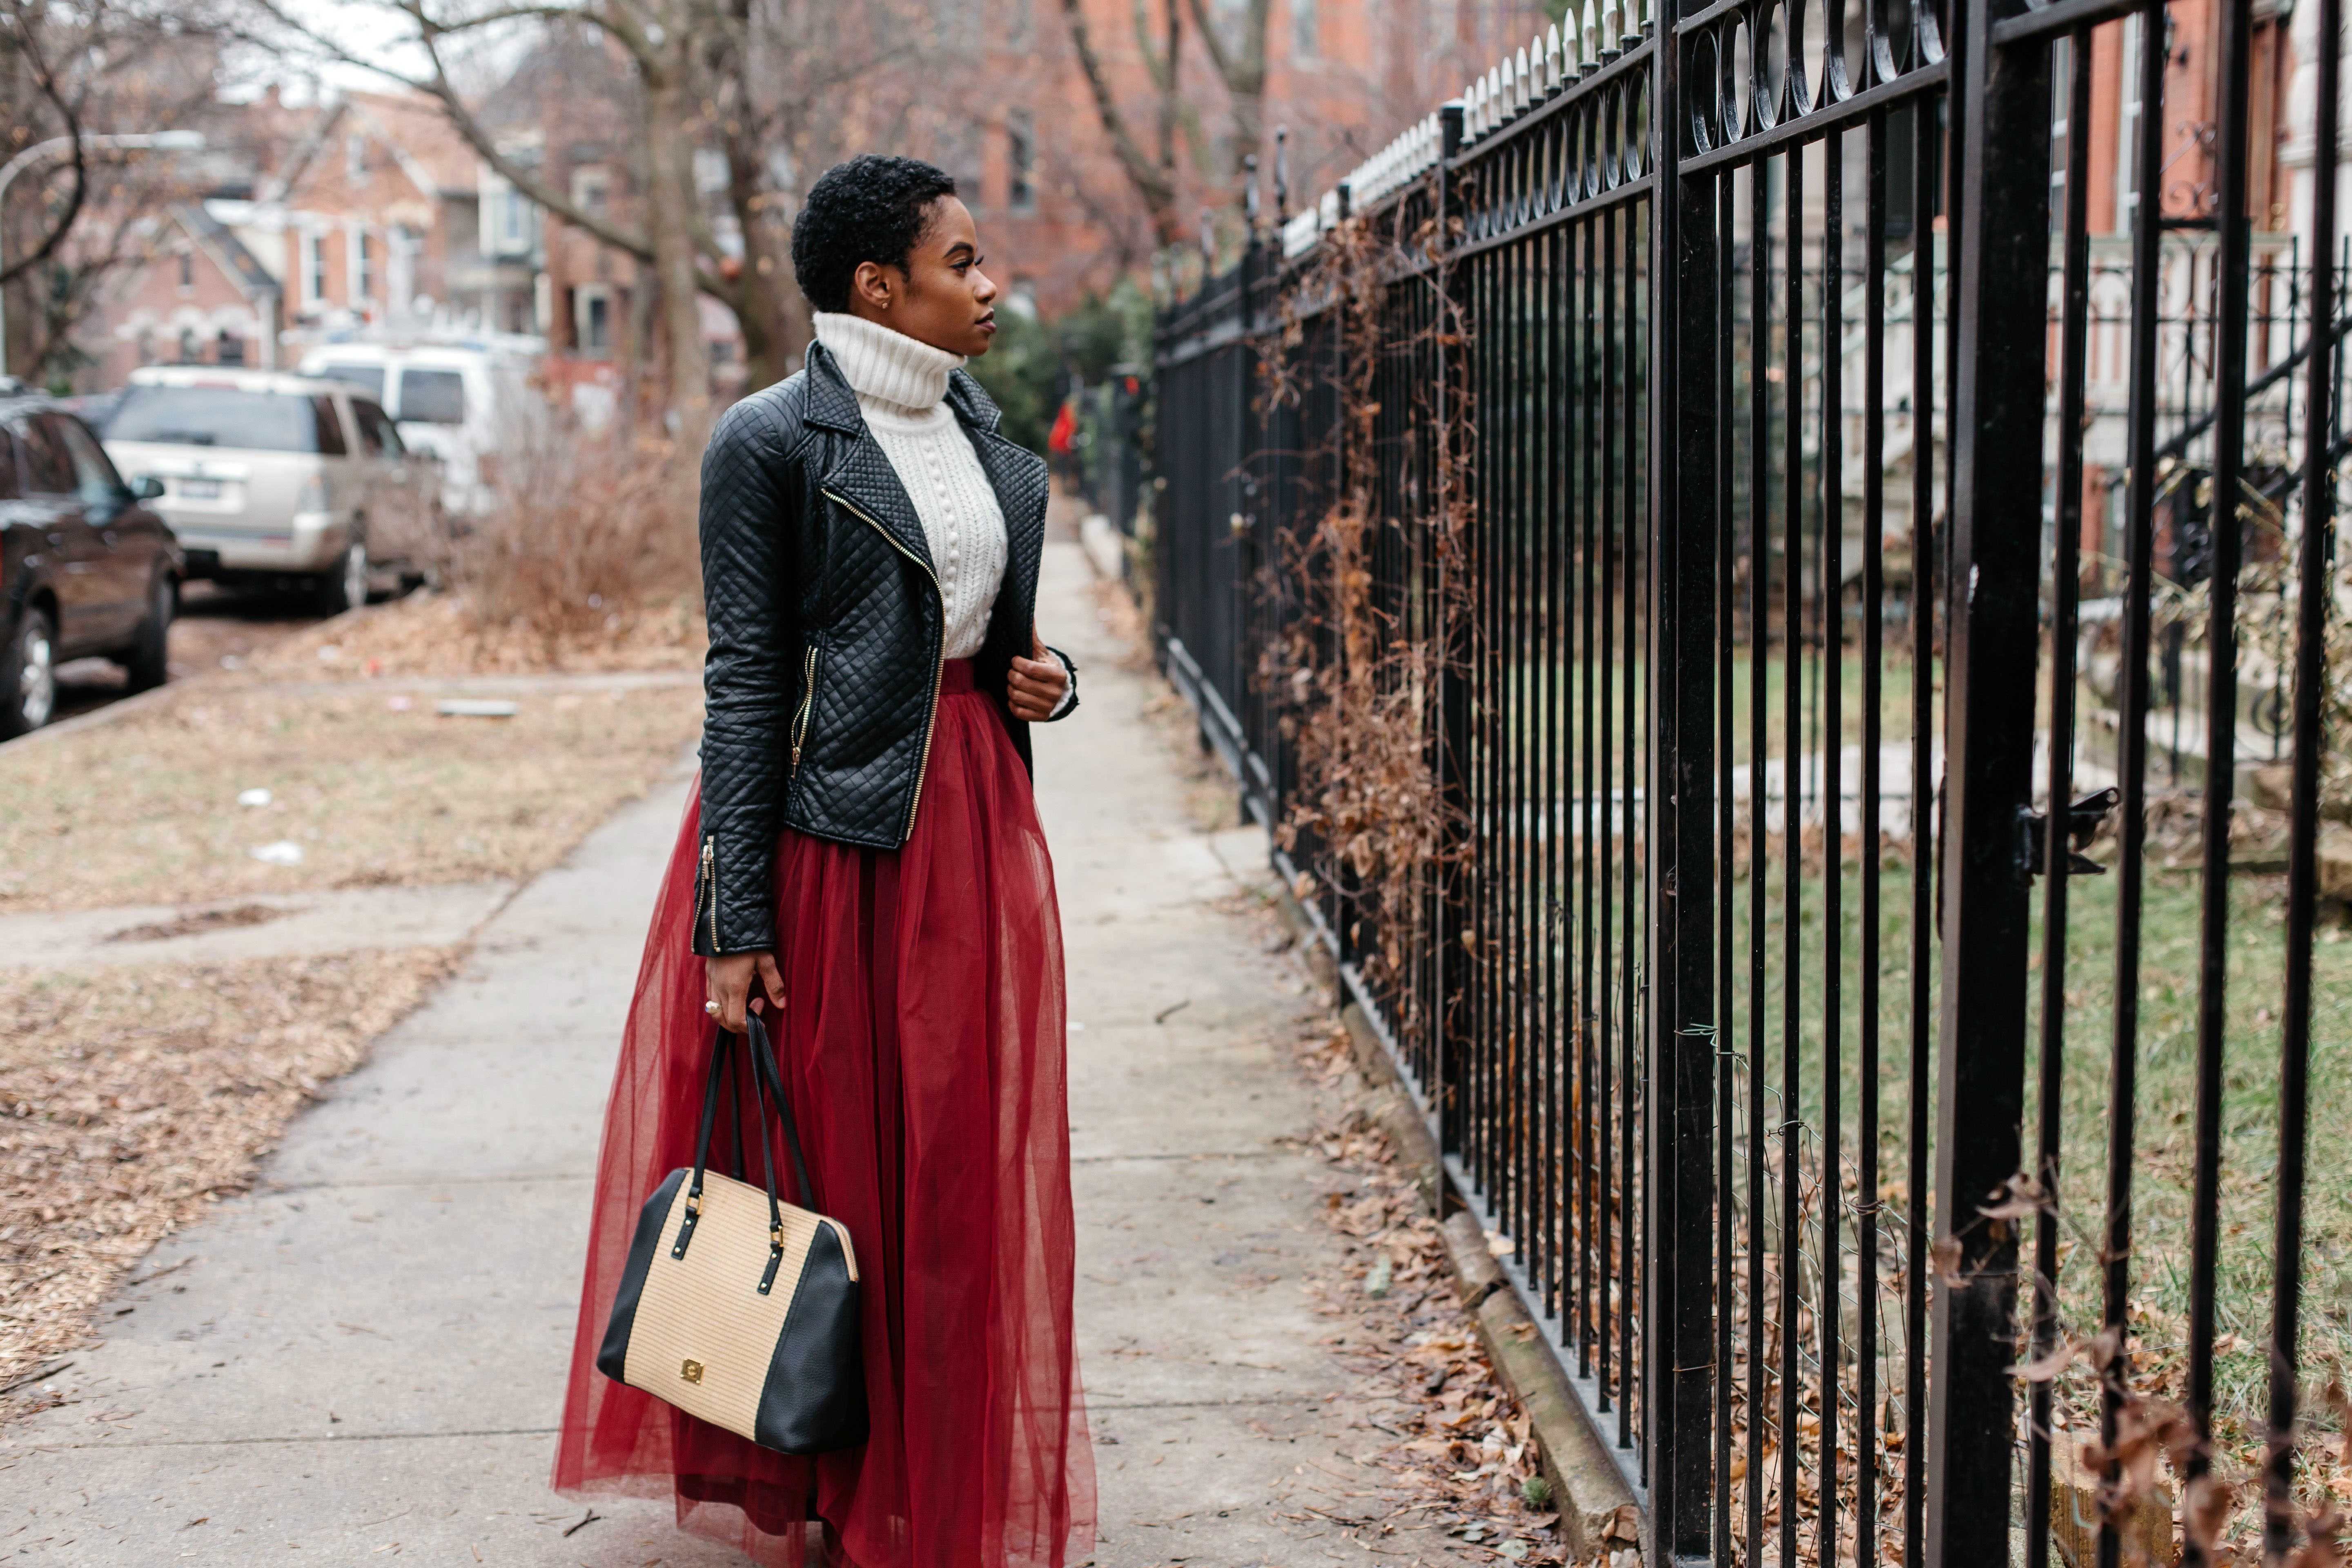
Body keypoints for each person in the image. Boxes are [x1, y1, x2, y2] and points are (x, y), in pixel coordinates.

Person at [552, 154, 1096, 1568]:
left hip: (976, 822)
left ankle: (929, 1472)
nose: (992, 287)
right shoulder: (772, 442)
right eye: (964, 263)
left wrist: (1049, 679)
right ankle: (824, 1484)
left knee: (961, 1170)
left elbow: (984, 629)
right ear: (879, 287)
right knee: (836, 1170)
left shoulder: (975, 423)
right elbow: (745, 681)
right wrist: (734, 919)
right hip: (834, 848)